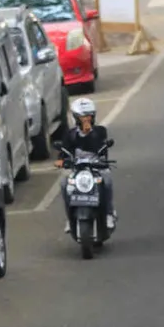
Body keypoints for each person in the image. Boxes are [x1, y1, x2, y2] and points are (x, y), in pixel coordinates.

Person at [56, 97, 117, 234]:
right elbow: (63, 153)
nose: (86, 120)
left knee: (106, 181)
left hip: (97, 167)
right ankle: (69, 218)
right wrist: (62, 162)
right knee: (65, 184)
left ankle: (108, 213)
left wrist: (89, 133)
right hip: (77, 169)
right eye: (82, 118)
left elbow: (100, 148)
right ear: (75, 118)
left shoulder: (100, 131)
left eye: (89, 117)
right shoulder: (69, 134)